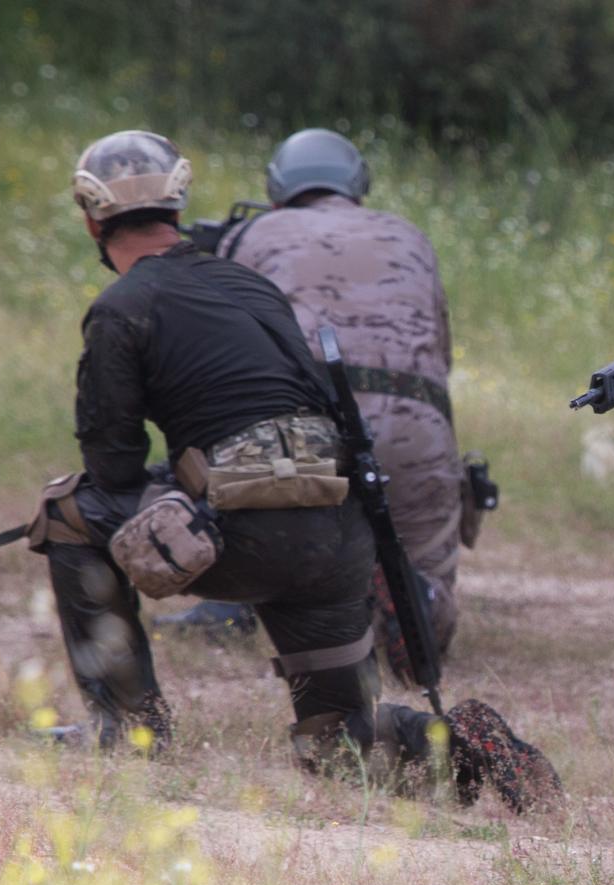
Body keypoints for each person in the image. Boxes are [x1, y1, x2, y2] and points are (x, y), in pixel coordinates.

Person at [39, 130, 552, 808]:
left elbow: (112, 468)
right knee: (341, 748)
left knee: (68, 511)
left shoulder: (120, 310)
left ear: (90, 219)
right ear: (178, 206)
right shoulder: (252, 287)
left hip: (243, 532)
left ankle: (127, 730)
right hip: (334, 538)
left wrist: (183, 484)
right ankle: (459, 744)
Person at [157, 129, 468, 670]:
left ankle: (248, 601)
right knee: (425, 614)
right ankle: (418, 603)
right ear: (357, 186)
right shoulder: (409, 235)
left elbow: (228, 360)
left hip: (311, 431)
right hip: (417, 428)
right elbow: (440, 356)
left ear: (277, 189)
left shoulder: (255, 235)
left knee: (258, 489)